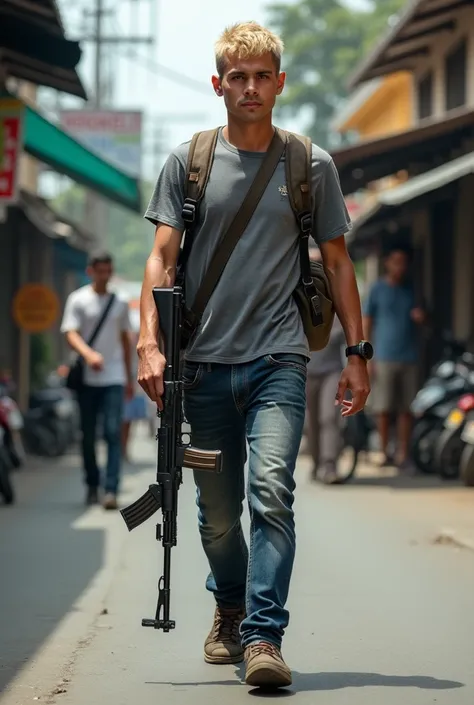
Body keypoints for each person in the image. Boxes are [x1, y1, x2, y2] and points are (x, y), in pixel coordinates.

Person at [137, 22, 371, 689]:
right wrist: (149, 341)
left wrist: (358, 351)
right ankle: (230, 606)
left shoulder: (310, 165)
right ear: (218, 85)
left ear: (280, 83)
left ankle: (263, 636)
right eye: (237, 77)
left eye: (262, 75)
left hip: (279, 358)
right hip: (203, 365)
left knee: (271, 491)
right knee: (216, 515)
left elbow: (338, 260)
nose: (250, 87)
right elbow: (160, 256)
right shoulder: (189, 161)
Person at [61, 252, 133, 510]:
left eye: (108, 271)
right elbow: (70, 332)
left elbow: (126, 340)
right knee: (88, 435)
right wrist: (88, 354)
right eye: (100, 271)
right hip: (87, 380)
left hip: (114, 377)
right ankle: (92, 483)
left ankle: (110, 489)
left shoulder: (120, 302)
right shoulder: (78, 299)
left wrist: (129, 377)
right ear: (91, 271)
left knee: (113, 433)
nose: (104, 276)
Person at [363, 247, 425, 471]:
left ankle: (403, 453)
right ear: (387, 263)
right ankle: (383, 450)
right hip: (383, 356)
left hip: (409, 356)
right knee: (383, 407)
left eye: (403, 262)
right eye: (396, 261)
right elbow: (367, 321)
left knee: (407, 409)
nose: (400, 267)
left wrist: (421, 318)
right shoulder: (377, 289)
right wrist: (367, 357)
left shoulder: (411, 290)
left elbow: (424, 318)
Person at [305, 249, 346, 484]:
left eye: (319, 263)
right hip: (306, 370)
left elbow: (346, 330)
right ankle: (317, 461)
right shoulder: (297, 293)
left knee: (329, 417)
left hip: (332, 370)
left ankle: (330, 465)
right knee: (310, 421)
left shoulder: (336, 294)